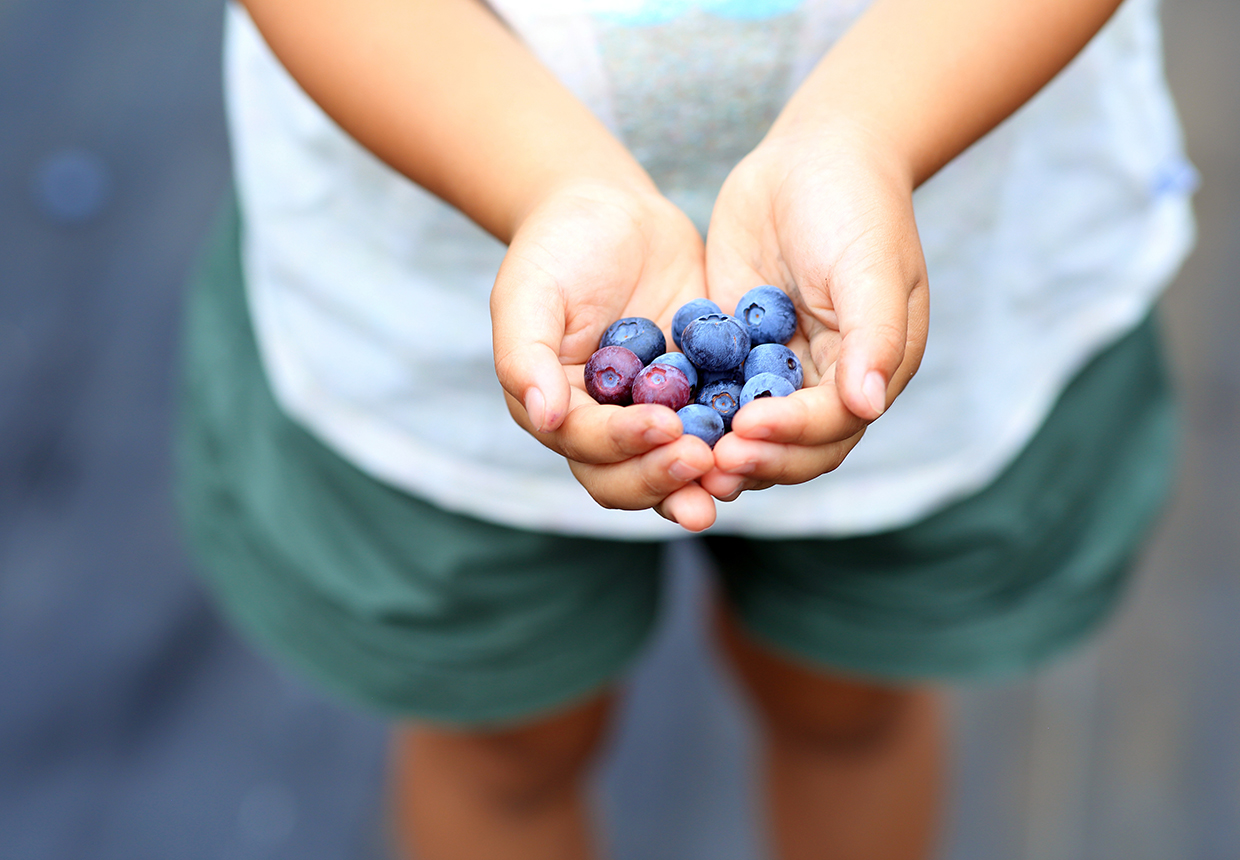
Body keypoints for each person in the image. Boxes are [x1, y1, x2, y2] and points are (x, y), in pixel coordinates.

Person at [176, 0, 1195, 857]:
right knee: (499, 740)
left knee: (848, 703)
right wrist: (546, 181)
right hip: (428, 304)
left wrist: (866, 133)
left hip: (929, 258)